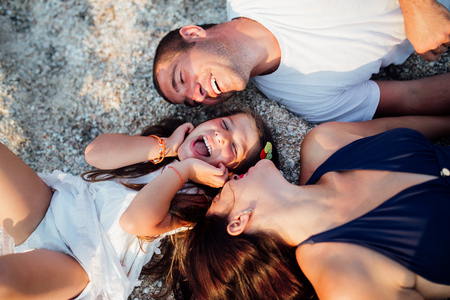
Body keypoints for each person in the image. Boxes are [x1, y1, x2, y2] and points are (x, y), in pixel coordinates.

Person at [0, 109, 278, 300]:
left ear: (230, 174)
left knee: (5, 278)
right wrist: (166, 148)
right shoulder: (160, 151)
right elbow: (95, 154)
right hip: (54, 207)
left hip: (83, 262)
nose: (221, 136)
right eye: (225, 124)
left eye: (234, 147)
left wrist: (186, 171)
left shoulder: (197, 205)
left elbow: (133, 222)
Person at [181, 115, 450, 299]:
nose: (226, 178)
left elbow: (424, 124)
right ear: (237, 222)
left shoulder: (324, 144)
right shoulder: (344, 280)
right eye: (219, 198)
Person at [152, 0, 450, 123]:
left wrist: (418, 7)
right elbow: (412, 97)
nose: (197, 94)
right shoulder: (303, 101)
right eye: (191, 101)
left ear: (193, 34)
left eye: (181, 77)